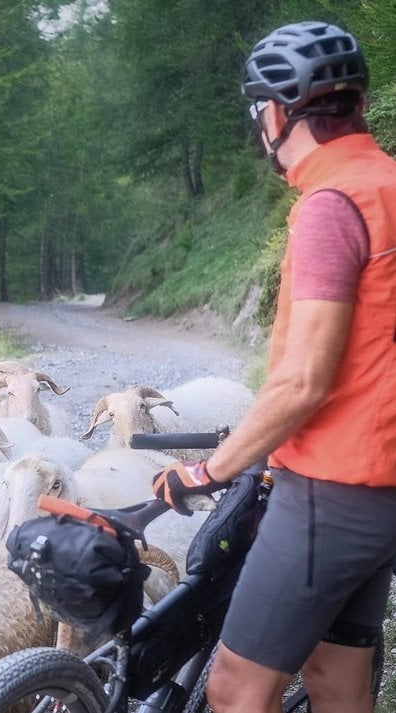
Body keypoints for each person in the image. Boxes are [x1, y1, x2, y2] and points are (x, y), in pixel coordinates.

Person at [149, 21, 396, 713]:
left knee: (234, 689)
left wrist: (207, 469)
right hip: (384, 494)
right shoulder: (388, 183)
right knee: (337, 676)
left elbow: (302, 381)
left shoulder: (331, 205)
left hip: (330, 491)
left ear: (278, 111)